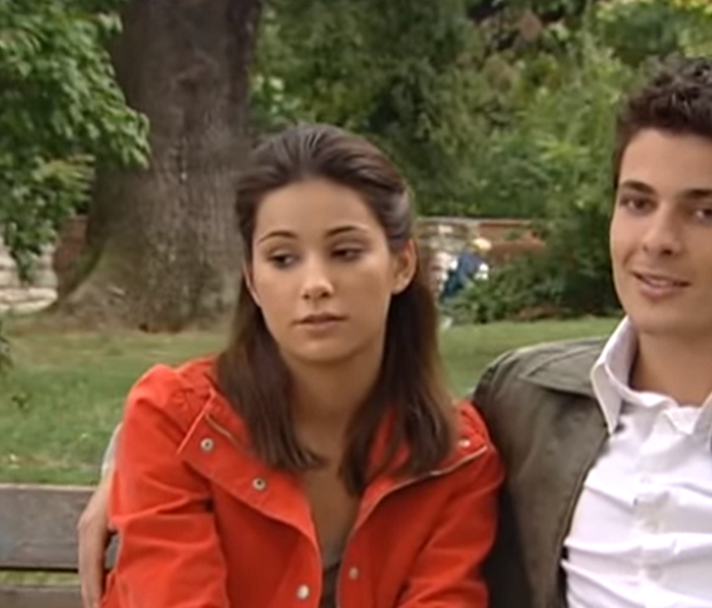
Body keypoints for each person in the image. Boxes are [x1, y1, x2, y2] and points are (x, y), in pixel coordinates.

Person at [79, 58, 712, 608]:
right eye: (637, 201)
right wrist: (137, 458)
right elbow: (304, 418)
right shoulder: (531, 402)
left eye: (705, 211)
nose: (657, 240)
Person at [80, 123, 504, 608]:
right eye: (283, 259)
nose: (315, 284)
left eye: (345, 252)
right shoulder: (175, 421)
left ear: (402, 264)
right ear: (252, 281)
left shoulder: (456, 457)